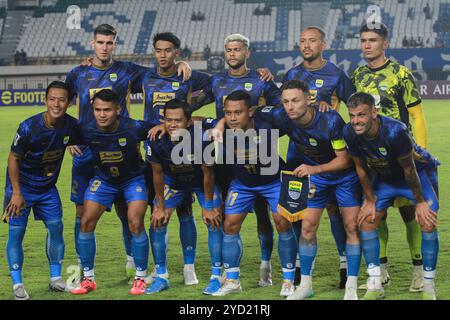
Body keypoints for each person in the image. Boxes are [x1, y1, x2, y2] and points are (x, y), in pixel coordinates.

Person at [65, 24, 191, 283]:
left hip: (121, 148)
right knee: (82, 213)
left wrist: (183, 64)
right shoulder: (77, 73)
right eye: (100, 42)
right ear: (92, 43)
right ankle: (81, 265)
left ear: (115, 44)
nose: (104, 47)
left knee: (127, 211)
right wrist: (69, 140)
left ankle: (132, 260)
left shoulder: (127, 70)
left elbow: (161, 70)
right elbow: (61, 105)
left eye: (109, 43)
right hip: (86, 150)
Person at [256, 80, 362, 300]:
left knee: (351, 226)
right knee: (307, 227)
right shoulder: (282, 116)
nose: (290, 106)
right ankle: (305, 285)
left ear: (309, 99)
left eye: (295, 100)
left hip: (343, 177)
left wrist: (315, 169)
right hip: (317, 178)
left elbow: (345, 160)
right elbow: (252, 111)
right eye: (285, 101)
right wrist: (219, 126)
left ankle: (351, 285)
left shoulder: (331, 120)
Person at [193, 33, 281, 287]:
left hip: (256, 155)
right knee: (224, 214)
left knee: (264, 214)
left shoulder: (261, 80)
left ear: (247, 53)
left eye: (237, 49)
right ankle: (223, 272)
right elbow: (191, 106)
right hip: (226, 158)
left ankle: (266, 264)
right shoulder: (216, 81)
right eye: (229, 49)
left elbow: (280, 108)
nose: (232, 53)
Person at [352, 22, 428, 292]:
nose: (367, 45)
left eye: (372, 40)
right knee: (376, 215)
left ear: (385, 43)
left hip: (401, 155)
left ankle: (418, 271)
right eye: (363, 40)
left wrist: (419, 150)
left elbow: (417, 115)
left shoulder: (401, 73)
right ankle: (381, 270)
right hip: (372, 157)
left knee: (411, 212)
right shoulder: (358, 75)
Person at [343, 92, 439, 300]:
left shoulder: (396, 131)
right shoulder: (349, 132)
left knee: (428, 221)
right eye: (352, 115)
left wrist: (420, 202)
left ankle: (428, 285)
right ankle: (375, 284)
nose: (356, 121)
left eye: (361, 115)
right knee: (367, 221)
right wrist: (369, 200)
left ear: (374, 113)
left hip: (417, 174)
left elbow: (409, 169)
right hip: (385, 177)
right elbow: (360, 167)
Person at [134, 32, 211, 286]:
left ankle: (189, 268)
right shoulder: (144, 76)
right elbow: (111, 74)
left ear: (177, 53)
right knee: (155, 212)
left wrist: (190, 115)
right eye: (158, 50)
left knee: (186, 211)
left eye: (168, 50)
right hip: (154, 153)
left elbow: (218, 86)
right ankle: (159, 267)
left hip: (183, 150)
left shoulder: (187, 75)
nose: (163, 55)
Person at [284, 26, 355, 287]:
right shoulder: (292, 73)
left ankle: (345, 264)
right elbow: (283, 106)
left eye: (312, 41)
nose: (306, 45)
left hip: (328, 157)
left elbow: (354, 110)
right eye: (302, 41)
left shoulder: (336, 75)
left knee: (335, 210)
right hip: (297, 155)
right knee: (295, 210)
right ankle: (300, 268)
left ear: (323, 44)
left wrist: (329, 115)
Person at [212, 90, 297, 297]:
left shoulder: (268, 124)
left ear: (250, 111)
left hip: (273, 181)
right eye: (228, 113)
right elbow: (191, 121)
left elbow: (296, 116)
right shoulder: (222, 128)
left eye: (237, 113)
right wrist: (218, 123)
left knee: (283, 222)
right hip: (243, 184)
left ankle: (288, 280)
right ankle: (232, 279)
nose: (232, 118)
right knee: (230, 224)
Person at [70, 89, 153, 295]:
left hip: (132, 180)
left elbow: (162, 127)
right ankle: (88, 279)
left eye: (107, 109)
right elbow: (61, 132)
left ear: (118, 109)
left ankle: (140, 278)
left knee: (135, 221)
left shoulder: (132, 127)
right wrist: (69, 141)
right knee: (86, 221)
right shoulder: (86, 129)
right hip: (104, 180)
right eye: (97, 109)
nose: (102, 114)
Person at [2, 81, 80, 300]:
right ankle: (18, 284)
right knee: (16, 233)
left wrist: (74, 142)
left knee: (56, 227)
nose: (57, 104)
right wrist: (16, 193)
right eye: (52, 99)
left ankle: (56, 279)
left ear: (69, 102)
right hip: (21, 188)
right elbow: (13, 158)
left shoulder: (71, 126)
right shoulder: (29, 126)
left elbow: (85, 138)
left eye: (62, 99)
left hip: (46, 188)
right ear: (45, 100)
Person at [146, 98, 223, 295]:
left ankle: (216, 276)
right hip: (173, 183)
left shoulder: (202, 136)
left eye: (178, 120)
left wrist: (207, 205)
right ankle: (162, 276)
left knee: (214, 220)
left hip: (200, 182)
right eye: (168, 120)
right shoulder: (156, 139)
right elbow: (157, 174)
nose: (172, 125)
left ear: (188, 122)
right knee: (157, 221)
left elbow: (208, 173)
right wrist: (160, 206)